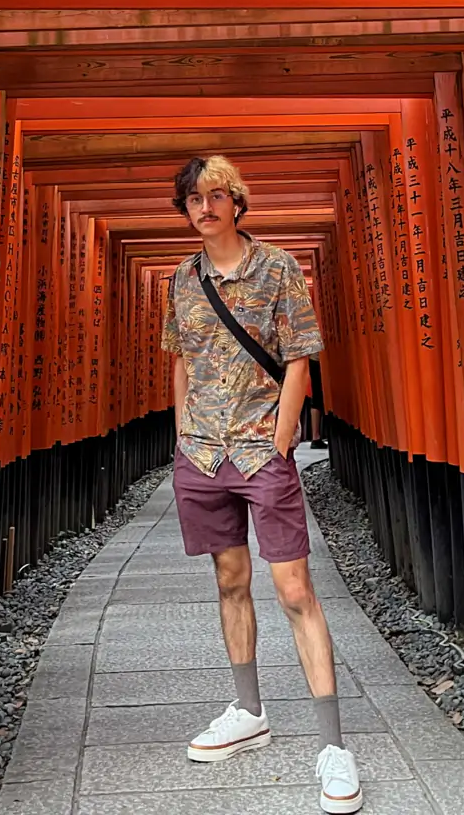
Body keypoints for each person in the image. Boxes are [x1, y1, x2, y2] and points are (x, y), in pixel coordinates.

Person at [162, 155, 362, 815]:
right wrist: (184, 437)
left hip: (260, 451)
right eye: (194, 198)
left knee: (295, 587)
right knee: (229, 579)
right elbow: (182, 362)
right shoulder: (181, 280)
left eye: (217, 196)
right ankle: (248, 709)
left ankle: (334, 746)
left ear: (238, 203)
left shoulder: (277, 267)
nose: (205, 207)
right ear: (185, 209)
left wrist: (282, 443)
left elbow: (301, 356)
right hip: (203, 454)